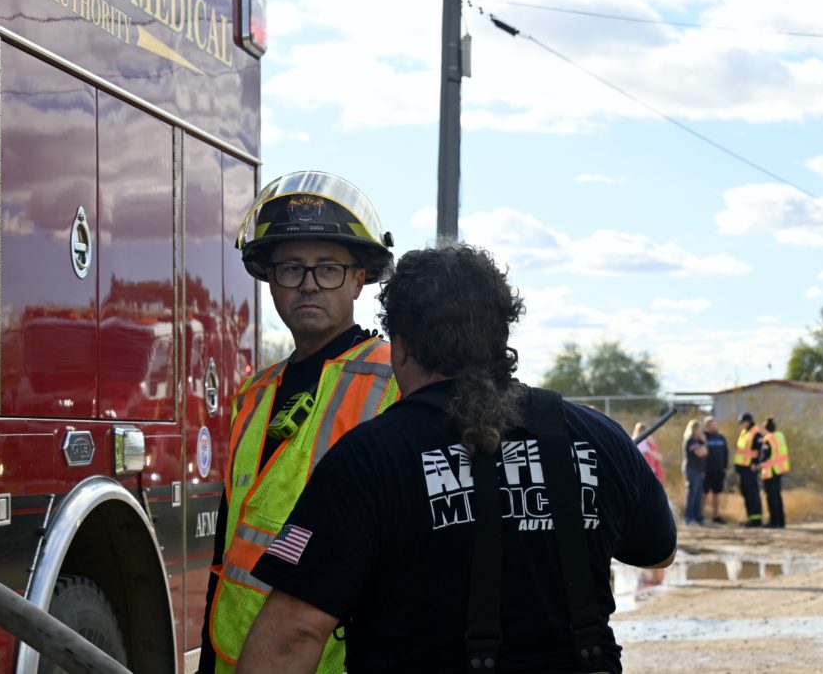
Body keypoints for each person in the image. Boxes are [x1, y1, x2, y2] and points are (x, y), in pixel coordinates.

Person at [235, 244, 676, 674]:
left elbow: (294, 634)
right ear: (500, 335)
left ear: (401, 346)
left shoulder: (368, 458)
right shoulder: (599, 437)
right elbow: (659, 553)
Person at [198, 171, 399, 673]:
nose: (308, 284)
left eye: (328, 268)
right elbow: (229, 543)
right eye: (291, 269)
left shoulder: (396, 382)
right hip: (236, 656)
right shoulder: (254, 393)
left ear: (359, 279)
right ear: (270, 281)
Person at [734, 412, 764, 527]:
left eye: (743, 422)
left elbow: (760, 451)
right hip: (743, 469)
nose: (742, 425)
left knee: (752, 493)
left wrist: (755, 463)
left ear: (749, 422)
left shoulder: (756, 434)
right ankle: (750, 518)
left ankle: (756, 519)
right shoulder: (744, 433)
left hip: (750, 469)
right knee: (746, 492)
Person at [760, 417, 790, 528]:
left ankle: (774, 521)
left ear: (765, 429)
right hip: (779, 470)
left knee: (771, 497)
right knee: (778, 496)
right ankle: (781, 521)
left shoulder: (768, 439)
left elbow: (765, 456)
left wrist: (758, 465)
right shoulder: (780, 436)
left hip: (770, 471)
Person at [702, 416, 729, 524]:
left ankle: (716, 515)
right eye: (710, 424)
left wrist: (725, 467)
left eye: (714, 424)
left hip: (719, 470)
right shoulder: (703, 437)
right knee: (704, 493)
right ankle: (701, 515)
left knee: (716, 493)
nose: (713, 426)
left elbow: (726, 453)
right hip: (707, 471)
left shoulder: (721, 437)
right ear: (706, 426)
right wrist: (702, 469)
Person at [681, 419, 708, 525]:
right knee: (692, 493)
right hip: (691, 469)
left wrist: (703, 444)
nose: (702, 431)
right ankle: (689, 518)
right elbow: (700, 453)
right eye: (700, 428)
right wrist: (704, 443)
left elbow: (706, 452)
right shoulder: (690, 441)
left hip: (699, 470)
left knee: (698, 494)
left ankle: (698, 517)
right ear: (695, 429)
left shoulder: (698, 441)